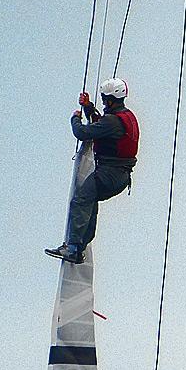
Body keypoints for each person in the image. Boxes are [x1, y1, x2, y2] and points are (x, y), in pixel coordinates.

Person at [46, 77, 140, 264]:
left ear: (111, 100)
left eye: (105, 99)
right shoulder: (124, 116)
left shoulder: (113, 121)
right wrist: (88, 107)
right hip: (119, 175)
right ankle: (80, 245)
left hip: (110, 174)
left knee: (81, 200)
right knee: (89, 201)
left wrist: (75, 118)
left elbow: (82, 132)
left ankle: (73, 248)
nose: (104, 103)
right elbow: (101, 123)